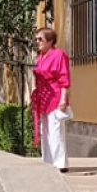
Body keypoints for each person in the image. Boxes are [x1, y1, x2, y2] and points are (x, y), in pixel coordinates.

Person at [31, 27, 71, 170]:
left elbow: (64, 77)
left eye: (40, 39)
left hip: (55, 95)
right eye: (36, 39)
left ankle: (60, 163)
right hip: (43, 96)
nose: (37, 41)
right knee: (45, 130)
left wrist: (63, 98)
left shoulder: (59, 55)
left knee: (56, 130)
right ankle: (48, 161)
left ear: (50, 40)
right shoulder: (40, 57)